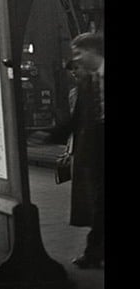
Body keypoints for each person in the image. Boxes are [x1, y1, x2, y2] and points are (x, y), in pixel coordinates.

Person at [65, 32, 105, 269]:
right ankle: (93, 253)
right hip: (98, 148)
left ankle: (93, 253)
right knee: (101, 201)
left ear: (93, 51)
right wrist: (52, 134)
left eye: (79, 53)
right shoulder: (87, 81)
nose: (77, 59)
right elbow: (77, 117)